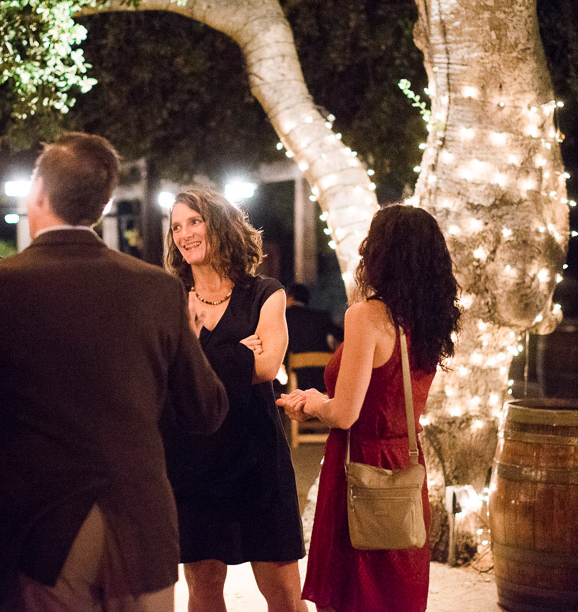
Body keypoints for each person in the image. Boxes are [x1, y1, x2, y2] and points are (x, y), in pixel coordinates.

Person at [0, 132, 227, 611]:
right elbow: (206, 411)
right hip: (143, 524)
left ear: (39, 193)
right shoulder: (157, 289)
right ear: (104, 204)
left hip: (42, 529)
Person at [278, 204, 461, 612]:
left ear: (381, 254)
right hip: (406, 463)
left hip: (359, 466)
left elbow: (346, 414)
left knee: (353, 595)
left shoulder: (366, 316)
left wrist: (313, 402)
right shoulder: (428, 320)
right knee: (395, 588)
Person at [163, 188, 307, 612]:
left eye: (194, 221)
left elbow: (268, 366)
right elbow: (162, 372)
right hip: (193, 457)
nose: (184, 234)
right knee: (204, 589)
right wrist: (240, 354)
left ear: (221, 225)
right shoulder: (169, 296)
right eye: (176, 226)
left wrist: (192, 353)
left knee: (284, 595)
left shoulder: (266, 292)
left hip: (257, 454)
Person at [285, 283, 343, 392]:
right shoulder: (321, 316)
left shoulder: (285, 316)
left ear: (290, 297)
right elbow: (341, 335)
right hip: (323, 366)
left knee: (300, 398)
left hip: (299, 368)